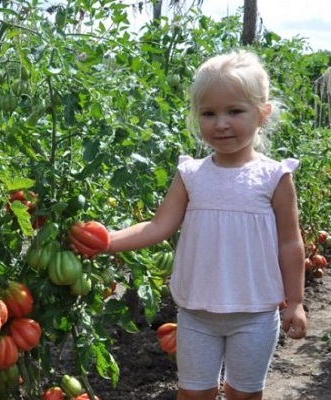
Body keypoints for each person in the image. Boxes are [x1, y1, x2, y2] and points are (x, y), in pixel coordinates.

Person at [106, 50, 307, 400]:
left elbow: (291, 243)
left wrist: (296, 301)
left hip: (255, 313)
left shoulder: (274, 177)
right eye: (208, 113)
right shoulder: (191, 174)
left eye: (234, 111)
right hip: (197, 313)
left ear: (262, 114)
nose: (221, 123)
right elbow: (157, 227)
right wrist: (105, 241)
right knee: (193, 394)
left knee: (243, 394)